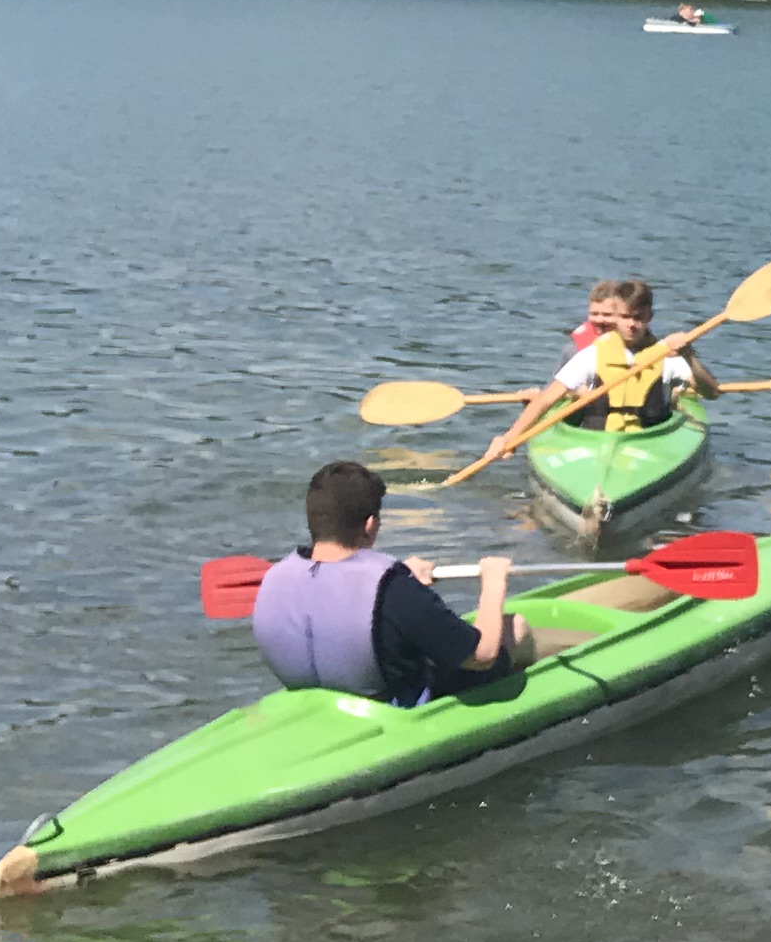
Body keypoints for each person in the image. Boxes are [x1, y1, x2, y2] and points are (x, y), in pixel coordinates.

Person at [249, 459, 534, 702]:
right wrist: (494, 581)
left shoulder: (276, 578)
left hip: (316, 696)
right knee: (515, 627)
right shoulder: (395, 591)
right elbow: (482, 655)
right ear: (370, 524)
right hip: (391, 705)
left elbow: (337, 592)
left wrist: (405, 580)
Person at [499, 278, 724, 452]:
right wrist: (509, 438)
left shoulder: (667, 355)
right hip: (597, 442)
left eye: (639, 318)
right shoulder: (593, 355)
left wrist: (689, 356)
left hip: (649, 441)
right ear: (616, 317)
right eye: (625, 317)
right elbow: (546, 400)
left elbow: (711, 392)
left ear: (650, 316)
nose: (631, 325)